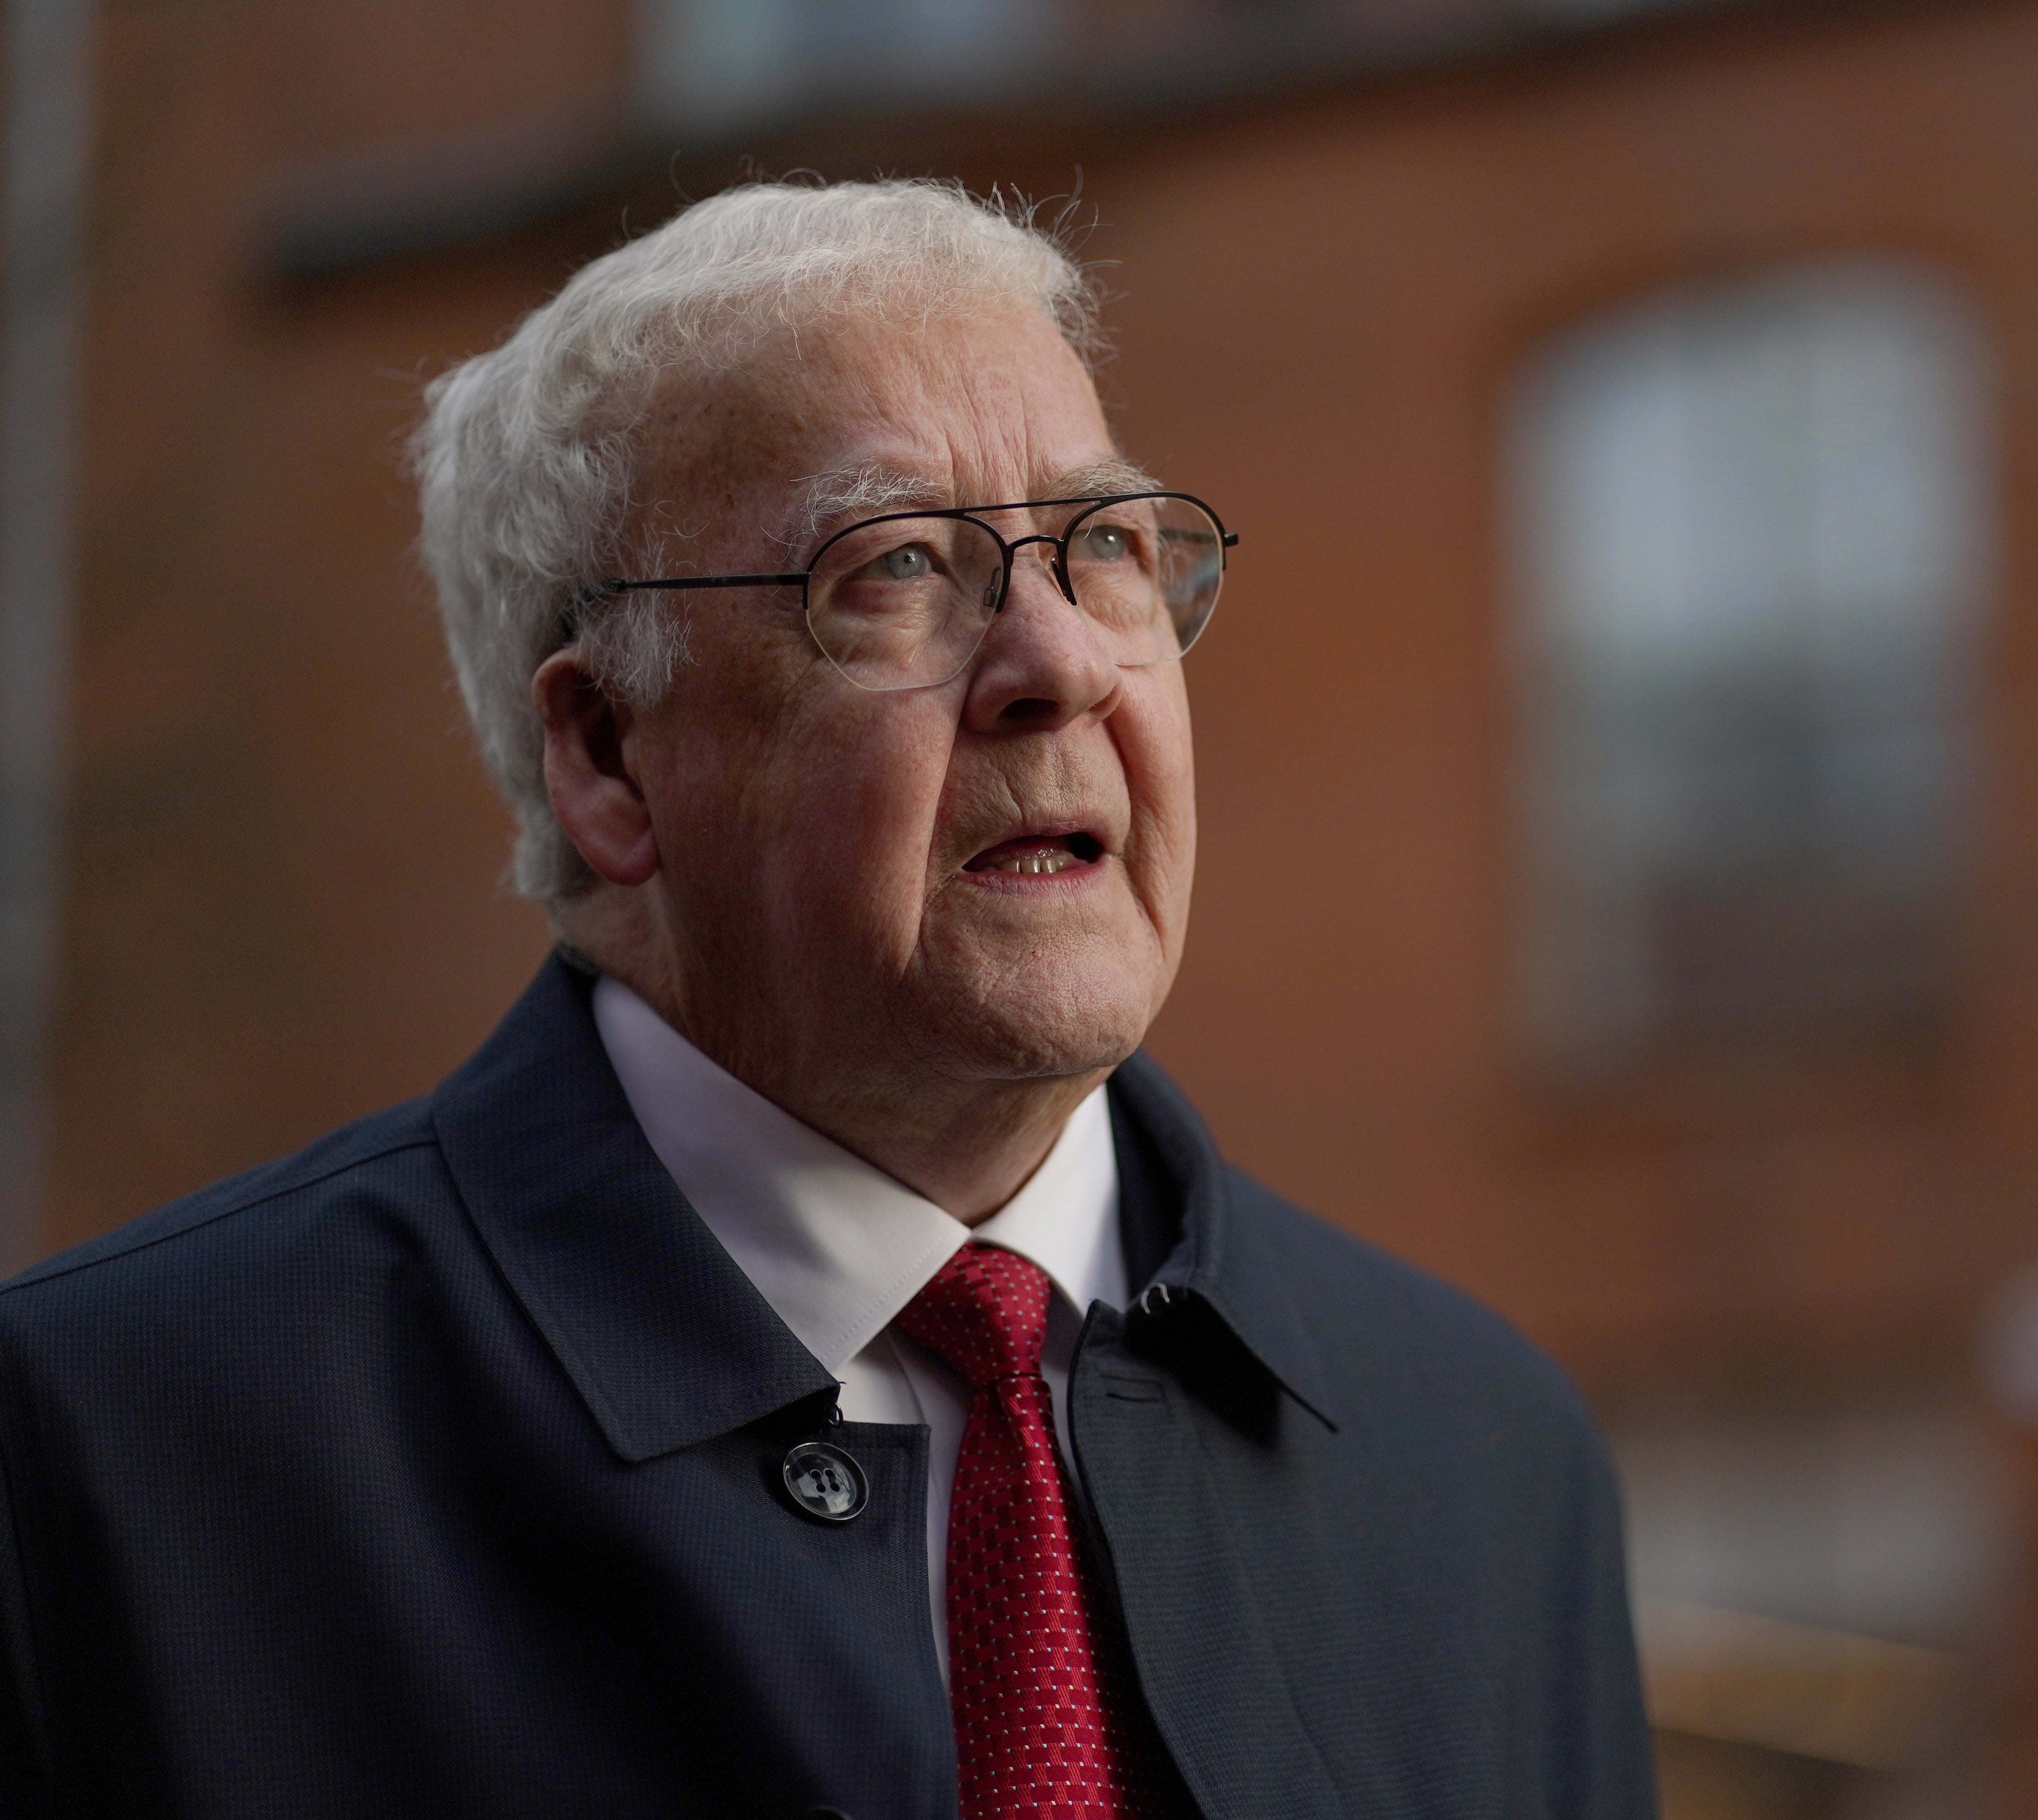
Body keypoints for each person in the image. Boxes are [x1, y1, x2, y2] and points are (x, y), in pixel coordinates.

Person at [0, 182, 1652, 1817]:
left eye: (1107, 550)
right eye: (897, 570)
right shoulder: (100, 1459)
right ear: (608, 757)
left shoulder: (1480, 1459)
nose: (1061, 661)